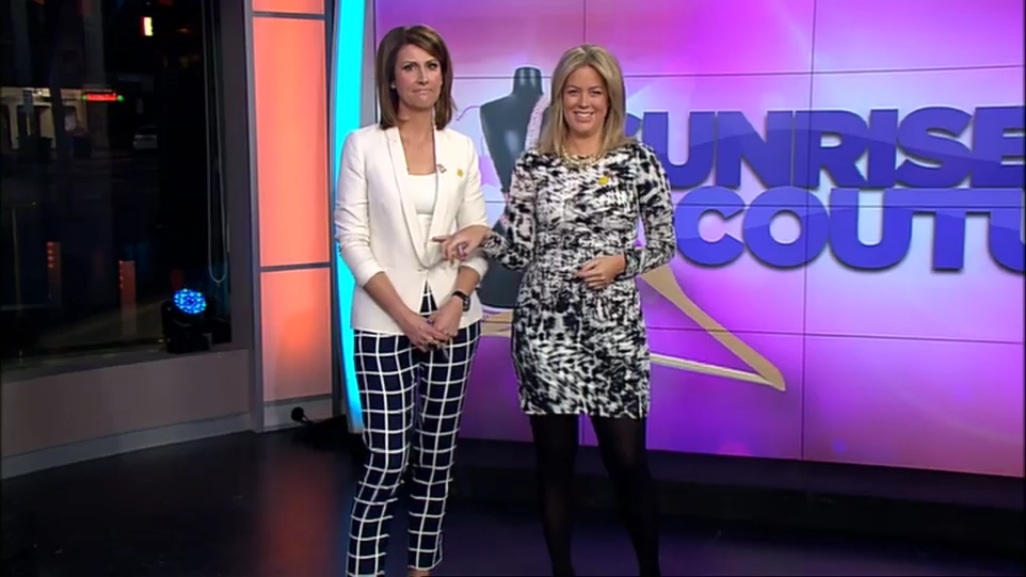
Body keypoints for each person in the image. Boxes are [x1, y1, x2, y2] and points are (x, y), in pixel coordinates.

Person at [436, 44, 675, 577]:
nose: (584, 102)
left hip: (614, 333)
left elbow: (664, 243)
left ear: (611, 99)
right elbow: (519, 250)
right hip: (546, 332)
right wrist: (481, 235)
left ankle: (651, 572)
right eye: (573, 91)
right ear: (559, 98)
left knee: (628, 462)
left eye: (595, 92)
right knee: (555, 467)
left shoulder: (638, 160)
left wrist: (623, 261)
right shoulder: (534, 165)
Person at [334, 24, 489, 577]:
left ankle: (422, 568)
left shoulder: (460, 146)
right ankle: (365, 570)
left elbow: (479, 235)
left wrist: (457, 300)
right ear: (392, 79)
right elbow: (351, 238)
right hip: (384, 320)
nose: (422, 77)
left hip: (453, 319)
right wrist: (405, 317)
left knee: (437, 458)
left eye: (432, 66)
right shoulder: (363, 145)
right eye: (410, 67)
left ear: (443, 75)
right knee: (388, 459)